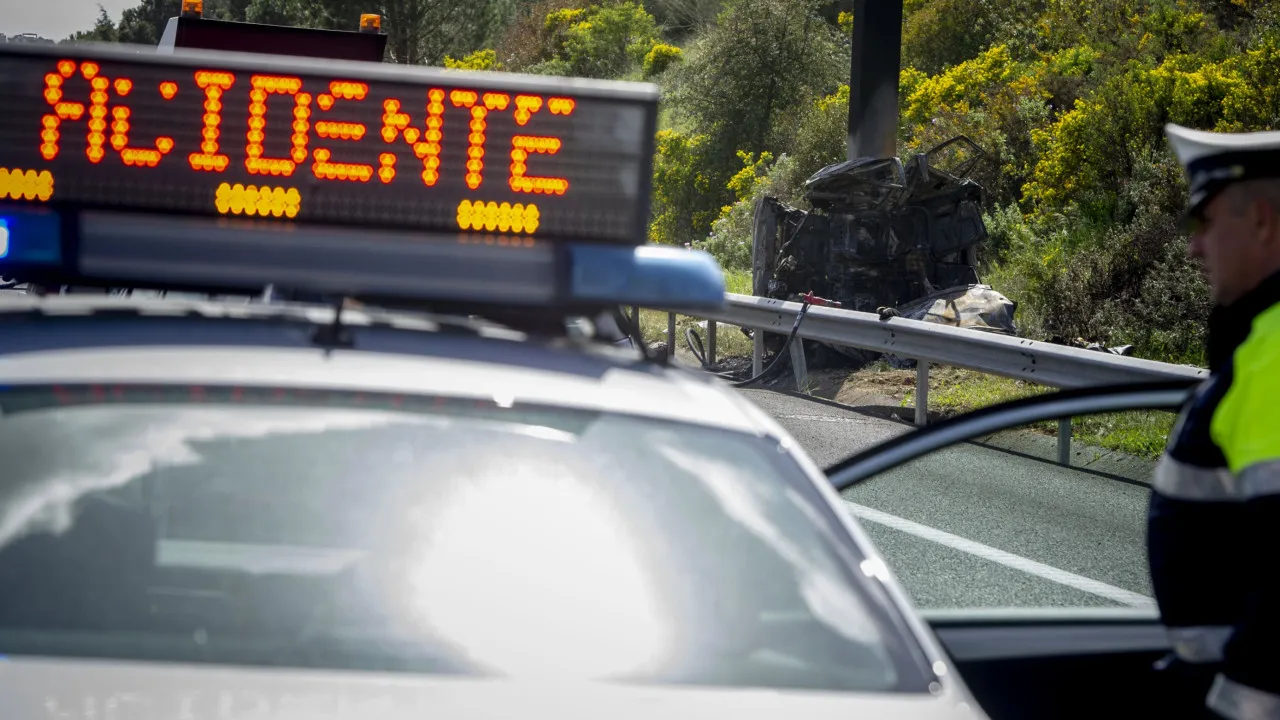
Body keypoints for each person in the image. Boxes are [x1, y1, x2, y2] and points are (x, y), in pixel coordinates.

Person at [1149, 123, 1280, 720]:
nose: (1193, 247)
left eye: (1203, 222)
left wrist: (1237, 707)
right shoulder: (1258, 343)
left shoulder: (1273, 357)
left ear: (1261, 222)